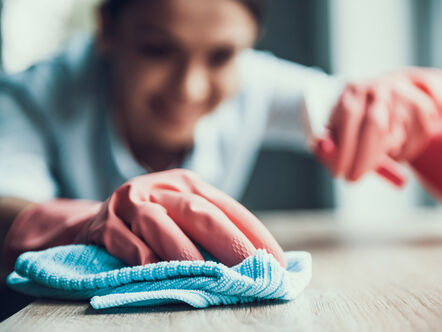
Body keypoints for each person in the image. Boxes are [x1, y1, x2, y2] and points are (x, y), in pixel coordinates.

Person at [1, 0, 441, 270]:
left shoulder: (254, 83)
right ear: (108, 30)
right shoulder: (33, 96)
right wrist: (92, 225)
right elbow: (6, 208)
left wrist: (417, 121)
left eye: (222, 55)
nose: (189, 87)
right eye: (158, 49)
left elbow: (371, 115)